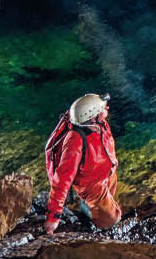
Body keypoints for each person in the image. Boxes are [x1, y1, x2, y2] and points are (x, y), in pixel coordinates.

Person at [44, 93, 121, 234]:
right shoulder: (75, 140)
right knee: (112, 219)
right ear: (92, 117)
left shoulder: (99, 124)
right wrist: (53, 217)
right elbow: (61, 179)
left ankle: (90, 210)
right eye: (102, 109)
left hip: (107, 173)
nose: (107, 108)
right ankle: (91, 215)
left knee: (109, 203)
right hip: (92, 185)